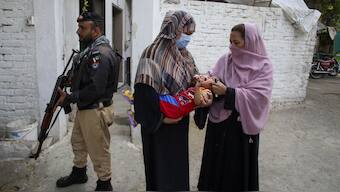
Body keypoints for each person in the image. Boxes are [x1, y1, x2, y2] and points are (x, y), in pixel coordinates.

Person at [134, 11, 210, 191]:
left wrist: (204, 88)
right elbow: (143, 92)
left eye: (190, 35)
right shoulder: (152, 53)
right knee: (160, 171)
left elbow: (194, 81)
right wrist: (161, 118)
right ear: (172, 29)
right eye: (185, 33)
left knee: (177, 167)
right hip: (159, 125)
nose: (187, 39)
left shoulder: (185, 56)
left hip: (179, 122)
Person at [195, 23, 273, 191]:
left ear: (250, 42)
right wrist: (205, 82)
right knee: (214, 167)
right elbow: (213, 76)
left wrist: (229, 92)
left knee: (235, 170)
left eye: (236, 43)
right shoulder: (226, 59)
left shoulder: (264, 67)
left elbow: (259, 98)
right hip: (218, 125)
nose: (232, 46)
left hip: (240, 129)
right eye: (230, 41)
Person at [56, 12, 120, 191]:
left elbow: (95, 89)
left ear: (96, 30)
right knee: (78, 142)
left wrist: (70, 98)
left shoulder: (100, 54)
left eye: (83, 28)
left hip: (95, 110)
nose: (78, 32)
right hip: (86, 108)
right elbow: (87, 78)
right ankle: (79, 172)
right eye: (79, 27)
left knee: (98, 149)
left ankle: (104, 184)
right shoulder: (90, 50)